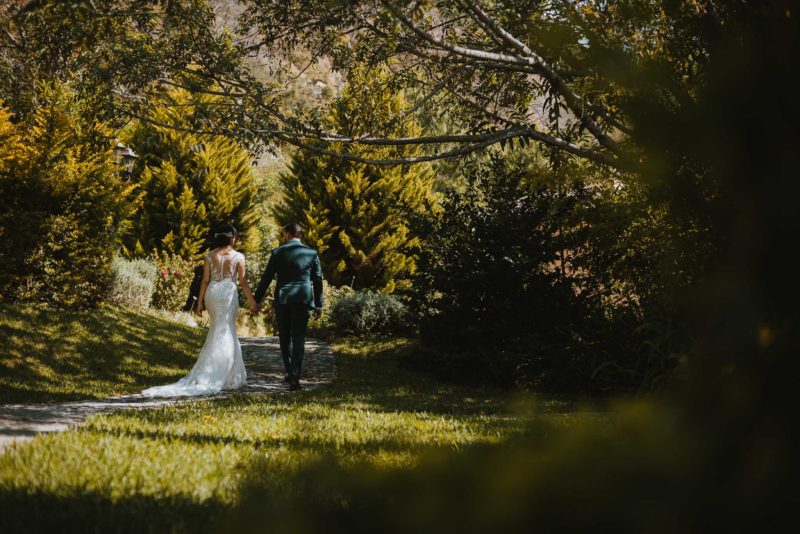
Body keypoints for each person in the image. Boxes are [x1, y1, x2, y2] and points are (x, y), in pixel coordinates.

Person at [142, 224, 258, 397]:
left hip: (212, 293)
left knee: (217, 329)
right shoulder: (239, 257)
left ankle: (215, 371)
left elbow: (205, 280)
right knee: (227, 329)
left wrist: (199, 303)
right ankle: (226, 376)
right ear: (231, 237)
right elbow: (243, 282)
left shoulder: (209, 256)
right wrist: (253, 302)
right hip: (227, 293)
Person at [254, 222, 324, 391]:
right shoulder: (312, 253)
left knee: (285, 337)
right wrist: (318, 304)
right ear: (300, 235)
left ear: (286, 234)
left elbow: (266, 278)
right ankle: (295, 376)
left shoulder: (278, 253)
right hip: (303, 299)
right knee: (299, 337)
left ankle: (291, 372)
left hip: (283, 299)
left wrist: (256, 300)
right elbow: (318, 280)